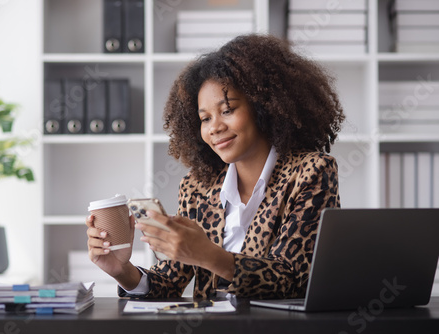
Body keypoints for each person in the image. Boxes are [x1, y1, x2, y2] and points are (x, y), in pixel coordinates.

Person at [86, 34, 345, 300]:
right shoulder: (197, 187)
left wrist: (208, 255)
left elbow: (294, 279)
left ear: (263, 107)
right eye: (205, 118)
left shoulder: (312, 172)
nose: (215, 128)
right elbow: (170, 282)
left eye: (228, 110)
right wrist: (122, 270)